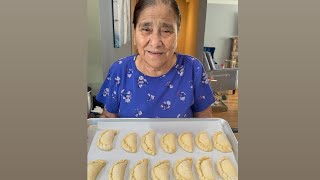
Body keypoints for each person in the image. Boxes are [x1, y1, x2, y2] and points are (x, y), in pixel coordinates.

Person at [96, 0, 215, 118]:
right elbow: (109, 119)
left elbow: (205, 122)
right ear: (134, 32)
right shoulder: (119, 70)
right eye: (146, 29)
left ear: (177, 33)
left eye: (166, 30)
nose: (155, 42)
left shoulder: (193, 69)